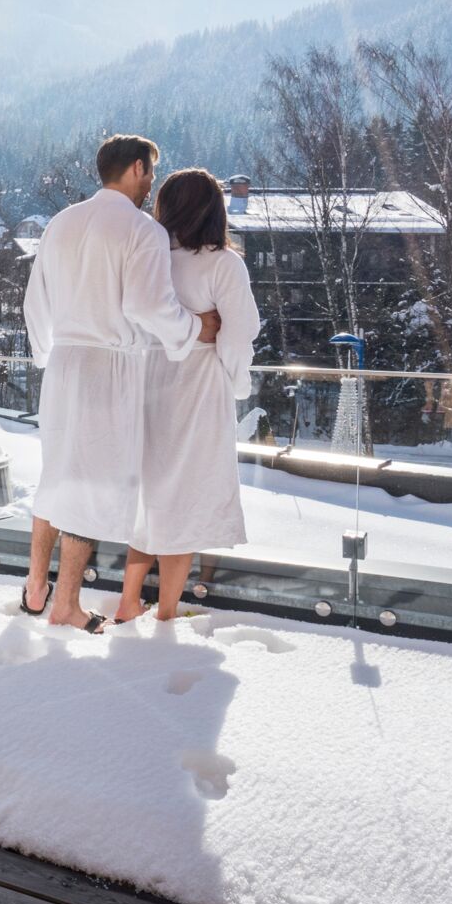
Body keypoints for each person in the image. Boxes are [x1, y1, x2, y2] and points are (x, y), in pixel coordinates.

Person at [22, 135, 220, 632]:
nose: (151, 182)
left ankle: (34, 588)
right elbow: (146, 306)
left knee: (58, 475)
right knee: (91, 487)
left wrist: (49, 353)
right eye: (150, 172)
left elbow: (35, 304)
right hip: (108, 368)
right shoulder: (141, 230)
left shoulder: (60, 223)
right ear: (136, 168)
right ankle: (66, 605)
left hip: (63, 364)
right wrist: (197, 328)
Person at [120, 167, 262, 622]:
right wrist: (237, 384)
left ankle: (127, 601)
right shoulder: (223, 264)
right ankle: (165, 612)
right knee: (185, 501)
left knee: (152, 494)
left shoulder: (150, 259)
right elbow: (239, 336)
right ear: (214, 210)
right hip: (199, 391)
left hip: (148, 382)